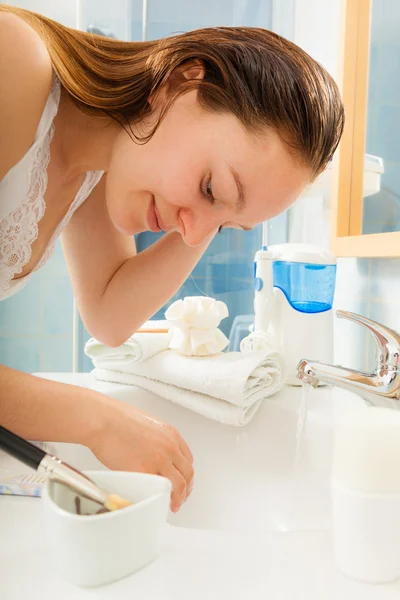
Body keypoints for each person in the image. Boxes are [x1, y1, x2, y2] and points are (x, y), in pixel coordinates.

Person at [0, 5, 344, 512]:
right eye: (210, 186)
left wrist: (218, 208)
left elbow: (109, 315)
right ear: (183, 80)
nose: (196, 230)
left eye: (225, 227)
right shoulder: (14, 61)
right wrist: (97, 418)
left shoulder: (97, 162)